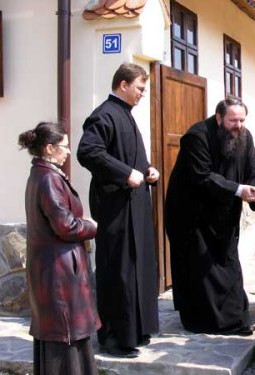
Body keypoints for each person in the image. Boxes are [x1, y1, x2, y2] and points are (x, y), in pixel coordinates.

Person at [77, 62, 160, 358]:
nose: (142, 94)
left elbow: (132, 155)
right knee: (119, 271)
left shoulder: (125, 115)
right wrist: (125, 173)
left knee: (137, 268)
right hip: (115, 208)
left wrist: (148, 170)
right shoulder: (103, 115)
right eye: (139, 88)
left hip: (134, 205)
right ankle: (114, 337)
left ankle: (135, 330)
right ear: (123, 85)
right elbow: (87, 152)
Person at [165, 98, 255, 335]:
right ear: (219, 118)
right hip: (193, 216)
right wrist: (240, 191)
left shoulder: (245, 136)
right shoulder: (196, 137)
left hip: (224, 215)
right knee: (200, 269)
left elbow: (254, 170)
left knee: (229, 263)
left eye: (242, 120)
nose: (238, 125)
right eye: (233, 120)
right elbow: (202, 176)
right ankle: (203, 321)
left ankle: (234, 320)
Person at [18, 121, 100, 375]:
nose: (67, 151)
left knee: (62, 334)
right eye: (64, 146)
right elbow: (64, 226)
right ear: (50, 148)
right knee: (65, 336)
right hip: (59, 272)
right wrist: (90, 226)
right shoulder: (48, 179)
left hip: (54, 269)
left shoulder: (42, 175)